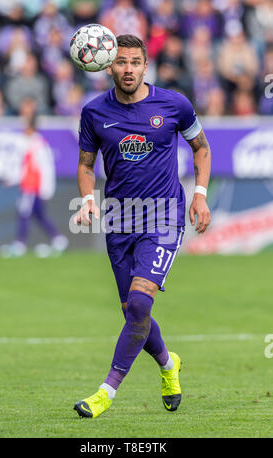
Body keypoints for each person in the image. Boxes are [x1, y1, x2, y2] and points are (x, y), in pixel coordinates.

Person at [73, 34, 211, 418]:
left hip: (164, 216)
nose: (128, 69)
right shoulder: (94, 112)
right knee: (134, 314)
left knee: (138, 302)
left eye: (135, 62)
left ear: (145, 65)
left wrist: (199, 194)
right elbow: (86, 165)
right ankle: (169, 365)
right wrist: (87, 200)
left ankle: (105, 391)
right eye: (121, 62)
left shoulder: (173, 104)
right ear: (107, 65)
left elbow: (201, 146)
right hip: (119, 221)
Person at [3, 97, 68, 257]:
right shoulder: (25, 143)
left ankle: (19, 244)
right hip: (28, 185)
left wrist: (46, 188)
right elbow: (22, 167)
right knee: (38, 215)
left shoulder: (38, 144)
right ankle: (58, 239)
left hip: (33, 187)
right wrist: (12, 179)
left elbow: (46, 168)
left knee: (24, 212)